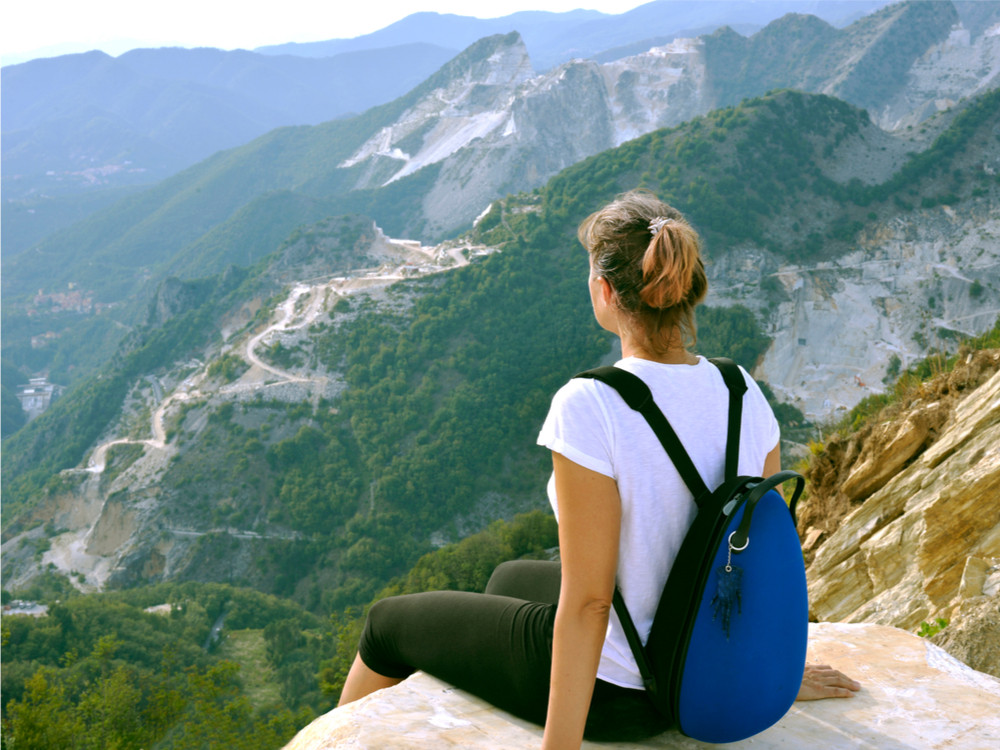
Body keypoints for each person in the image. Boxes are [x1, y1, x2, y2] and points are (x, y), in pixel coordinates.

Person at [337, 190, 859, 748]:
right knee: (508, 579)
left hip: (625, 698)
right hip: (704, 671)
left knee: (385, 624)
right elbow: (756, 555)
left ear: (605, 291)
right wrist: (763, 674)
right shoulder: (742, 391)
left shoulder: (591, 404)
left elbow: (591, 603)